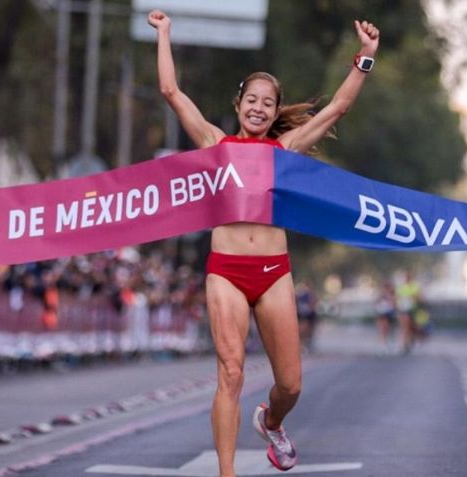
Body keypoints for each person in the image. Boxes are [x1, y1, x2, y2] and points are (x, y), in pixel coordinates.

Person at [148, 9, 379, 475]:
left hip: (273, 273)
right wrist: (165, 33)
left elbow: (337, 108)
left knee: (291, 385)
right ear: (238, 105)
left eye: (267, 103)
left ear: (275, 112)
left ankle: (272, 421)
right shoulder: (215, 143)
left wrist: (365, 58)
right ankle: (227, 472)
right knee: (230, 374)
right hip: (226, 272)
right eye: (251, 100)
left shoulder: (285, 150)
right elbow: (172, 92)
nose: (258, 108)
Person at [395, 269, 421, 355]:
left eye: (408, 277)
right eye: (405, 277)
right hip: (403, 309)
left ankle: (408, 341)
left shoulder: (414, 286)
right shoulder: (400, 287)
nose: (406, 279)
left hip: (411, 309)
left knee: (409, 327)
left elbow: (418, 297)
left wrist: (411, 297)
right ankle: (404, 344)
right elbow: (397, 298)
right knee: (404, 327)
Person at [295, 281, 318, 353]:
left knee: (308, 330)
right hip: (305, 314)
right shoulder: (302, 295)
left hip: (309, 314)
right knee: (303, 330)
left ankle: (306, 344)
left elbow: (314, 302)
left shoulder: (310, 294)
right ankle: (303, 345)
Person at [375, 281, 397, 354]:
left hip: (389, 313)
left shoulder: (392, 295)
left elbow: (394, 305)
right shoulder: (381, 295)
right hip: (382, 312)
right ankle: (382, 342)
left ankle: (385, 342)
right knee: (382, 327)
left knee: (386, 327)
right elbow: (376, 303)